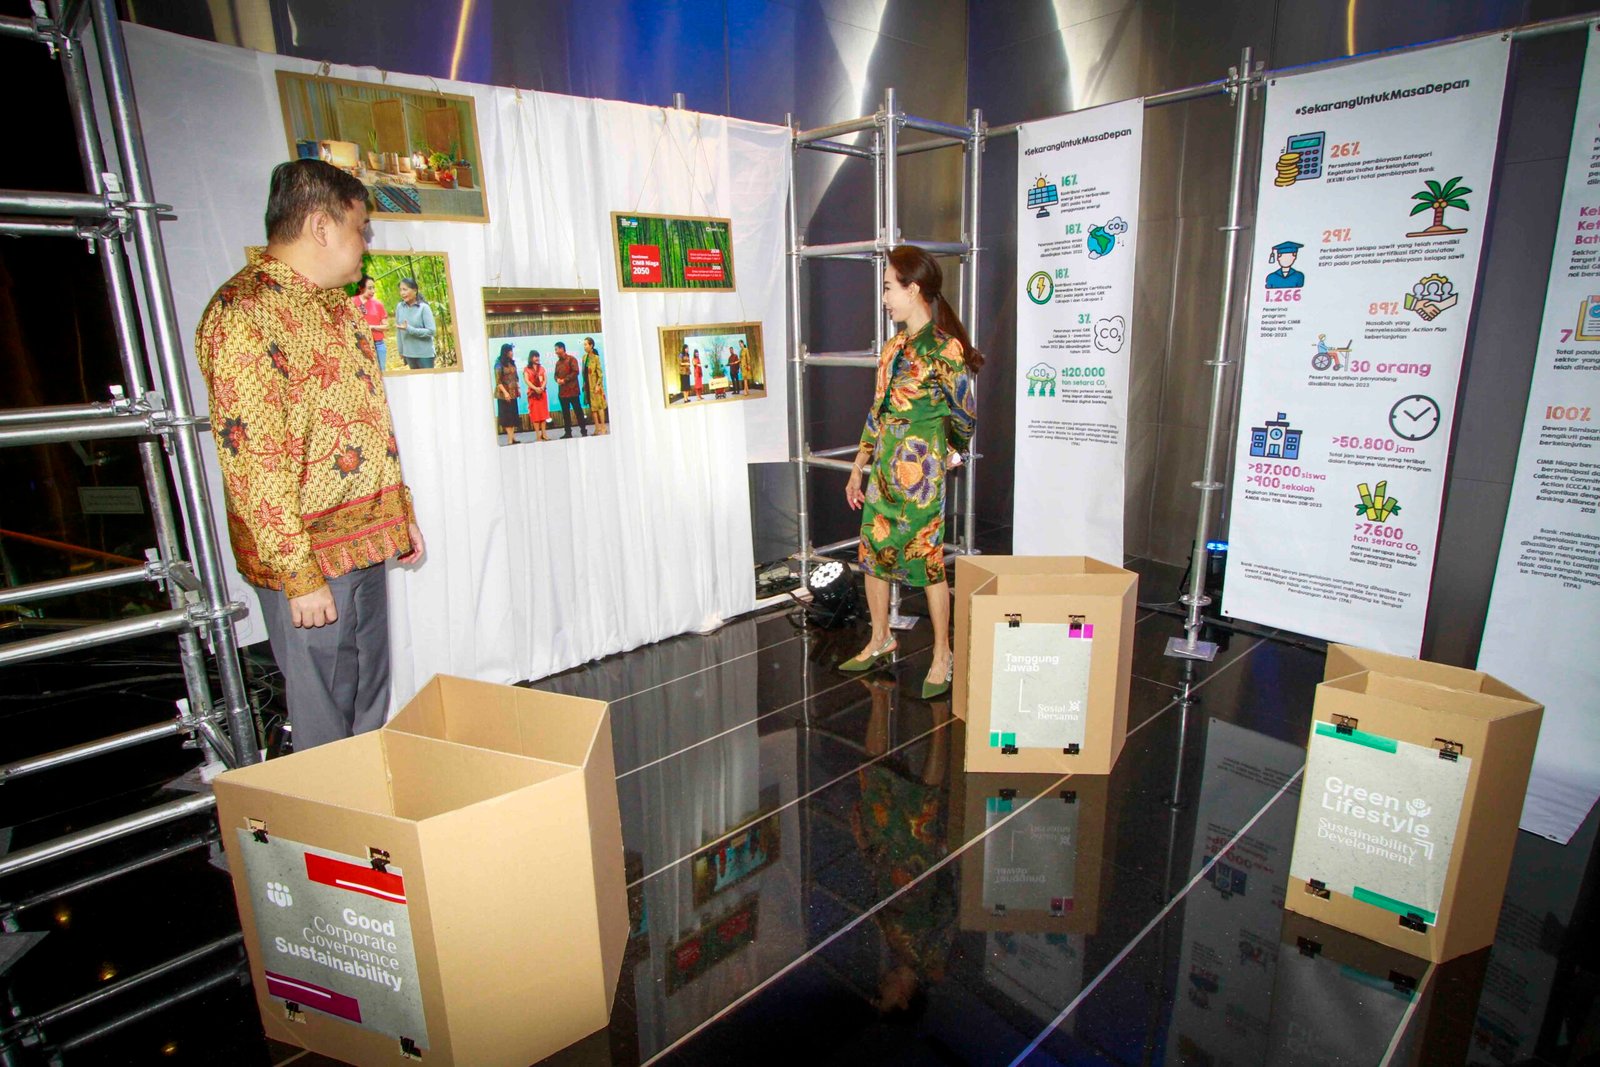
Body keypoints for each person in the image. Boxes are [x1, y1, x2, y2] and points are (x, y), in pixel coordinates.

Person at [194, 159, 424, 750]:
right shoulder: (243, 313)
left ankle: (369, 797)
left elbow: (367, 423)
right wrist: (298, 575)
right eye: (360, 229)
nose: (365, 245)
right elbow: (253, 459)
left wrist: (399, 515)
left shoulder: (337, 306)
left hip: (364, 540)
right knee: (324, 708)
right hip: (309, 557)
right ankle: (328, 808)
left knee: (368, 693)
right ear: (322, 227)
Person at [842, 245, 980, 698]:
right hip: (883, 474)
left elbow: (965, 415)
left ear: (913, 288)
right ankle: (880, 637)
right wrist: (858, 468)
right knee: (873, 555)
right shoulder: (893, 347)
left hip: (921, 479)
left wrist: (952, 452)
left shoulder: (945, 349)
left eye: (888, 288)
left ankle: (943, 653)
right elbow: (877, 413)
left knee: (928, 562)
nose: (884, 298)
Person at [394, 277, 437, 369]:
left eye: (405, 289)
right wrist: (401, 350)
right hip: (409, 354)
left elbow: (431, 331)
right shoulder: (400, 307)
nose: (402, 293)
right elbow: (399, 331)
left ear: (415, 290)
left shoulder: (423, 308)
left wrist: (410, 329)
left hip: (425, 354)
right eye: (400, 290)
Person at [553, 341, 588, 438]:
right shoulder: (557, 363)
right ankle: (568, 432)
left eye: (556, 349)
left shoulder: (572, 359)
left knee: (578, 412)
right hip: (562, 393)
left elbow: (575, 372)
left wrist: (565, 380)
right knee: (565, 413)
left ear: (562, 349)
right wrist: (557, 380)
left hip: (573, 391)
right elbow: (555, 375)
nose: (555, 352)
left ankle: (583, 431)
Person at [355, 273, 389, 372]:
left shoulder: (378, 304)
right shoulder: (352, 302)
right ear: (361, 288)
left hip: (378, 344)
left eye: (374, 288)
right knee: (365, 373)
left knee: (381, 371)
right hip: (360, 344)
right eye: (369, 288)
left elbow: (386, 326)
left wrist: (371, 327)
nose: (373, 291)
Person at [494, 343, 521, 445]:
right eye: (510, 351)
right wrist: (505, 393)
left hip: (513, 393)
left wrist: (518, 388)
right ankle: (510, 439)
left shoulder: (512, 363)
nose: (512, 353)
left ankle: (513, 437)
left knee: (513, 416)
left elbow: (516, 377)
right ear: (505, 352)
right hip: (503, 395)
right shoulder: (498, 364)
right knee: (507, 417)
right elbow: (498, 381)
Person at [582, 336, 608, 432]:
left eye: (586, 344)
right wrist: (584, 384)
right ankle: (597, 428)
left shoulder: (596, 358)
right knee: (592, 408)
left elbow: (600, 374)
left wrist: (598, 385)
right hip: (588, 386)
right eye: (584, 345)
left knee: (599, 406)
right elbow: (584, 373)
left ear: (591, 345)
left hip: (596, 386)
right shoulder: (584, 358)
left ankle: (603, 427)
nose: (584, 346)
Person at [525, 350, 550, 441]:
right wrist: (535, 388)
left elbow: (545, 379)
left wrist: (542, 387)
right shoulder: (527, 369)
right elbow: (527, 380)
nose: (537, 358)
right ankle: (538, 435)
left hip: (542, 393)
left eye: (538, 356)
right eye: (535, 356)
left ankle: (544, 434)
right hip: (533, 394)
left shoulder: (542, 368)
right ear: (531, 358)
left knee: (543, 414)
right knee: (535, 415)